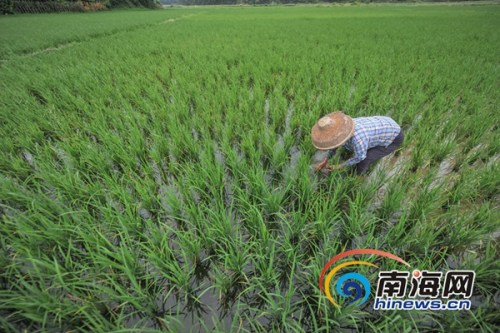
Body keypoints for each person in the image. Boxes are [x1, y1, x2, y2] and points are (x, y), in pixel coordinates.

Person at [311, 111, 404, 175]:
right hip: (382, 123)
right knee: (363, 147)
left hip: (394, 136)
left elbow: (360, 157)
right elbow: (334, 143)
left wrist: (340, 166)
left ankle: (359, 176)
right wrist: (326, 160)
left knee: (366, 159)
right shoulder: (343, 126)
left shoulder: (358, 138)